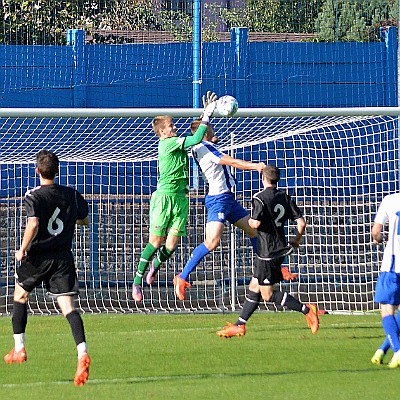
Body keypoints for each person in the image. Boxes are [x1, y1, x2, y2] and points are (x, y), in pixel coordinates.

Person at [4, 150, 91, 386]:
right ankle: (82, 351)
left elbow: (33, 222)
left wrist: (22, 248)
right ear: (57, 170)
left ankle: (19, 348)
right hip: (63, 257)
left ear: (37, 171)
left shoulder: (33, 195)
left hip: (38, 256)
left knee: (20, 296)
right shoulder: (71, 194)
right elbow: (84, 218)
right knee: (68, 307)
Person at [173, 119, 274, 301]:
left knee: (255, 231)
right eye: (210, 130)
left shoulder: (201, 146)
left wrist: (207, 121)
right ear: (204, 134)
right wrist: (256, 166)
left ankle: (267, 269)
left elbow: (206, 140)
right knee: (212, 242)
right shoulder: (205, 147)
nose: (213, 132)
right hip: (218, 200)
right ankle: (182, 277)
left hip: (228, 199)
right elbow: (232, 162)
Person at [132, 92, 218, 301]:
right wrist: (207, 114)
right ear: (162, 131)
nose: (174, 127)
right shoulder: (167, 143)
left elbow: (197, 136)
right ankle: (136, 282)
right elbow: (197, 137)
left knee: (170, 245)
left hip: (181, 199)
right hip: (164, 198)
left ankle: (155, 266)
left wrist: (205, 116)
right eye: (171, 126)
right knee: (155, 242)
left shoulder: (177, 141)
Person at [216, 164, 319, 338]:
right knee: (254, 286)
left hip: (267, 252)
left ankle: (307, 310)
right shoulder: (285, 196)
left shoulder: (260, 198)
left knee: (267, 294)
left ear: (263, 178)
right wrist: (296, 239)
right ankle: (240, 325)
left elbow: (254, 224)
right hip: (280, 248)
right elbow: (301, 223)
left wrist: (249, 222)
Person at [370, 192, 400, 368]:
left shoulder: (390, 200)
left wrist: (377, 239)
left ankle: (397, 349)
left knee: (386, 308)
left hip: (393, 264)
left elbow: (376, 230)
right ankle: (382, 349)